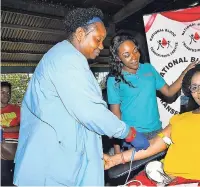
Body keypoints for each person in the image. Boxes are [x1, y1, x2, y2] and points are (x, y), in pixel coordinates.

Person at [13, 7, 149, 186]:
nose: (101, 46)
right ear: (79, 33)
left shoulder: (68, 58)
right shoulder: (66, 60)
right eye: (98, 39)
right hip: (52, 166)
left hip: (63, 161)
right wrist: (128, 133)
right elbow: (90, 113)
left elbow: (78, 120)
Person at [107, 35, 196, 154]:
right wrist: (118, 152)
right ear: (118, 58)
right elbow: (115, 119)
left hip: (157, 131)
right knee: (138, 172)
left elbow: (169, 92)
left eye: (135, 51)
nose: (134, 57)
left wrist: (185, 73)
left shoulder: (148, 69)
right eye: (126, 55)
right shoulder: (114, 80)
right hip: (132, 136)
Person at [1, 81, 21, 186]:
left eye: (8, 92)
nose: (6, 95)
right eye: (2, 92)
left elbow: (24, 127)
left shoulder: (17, 109)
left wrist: (3, 130)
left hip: (14, 147)